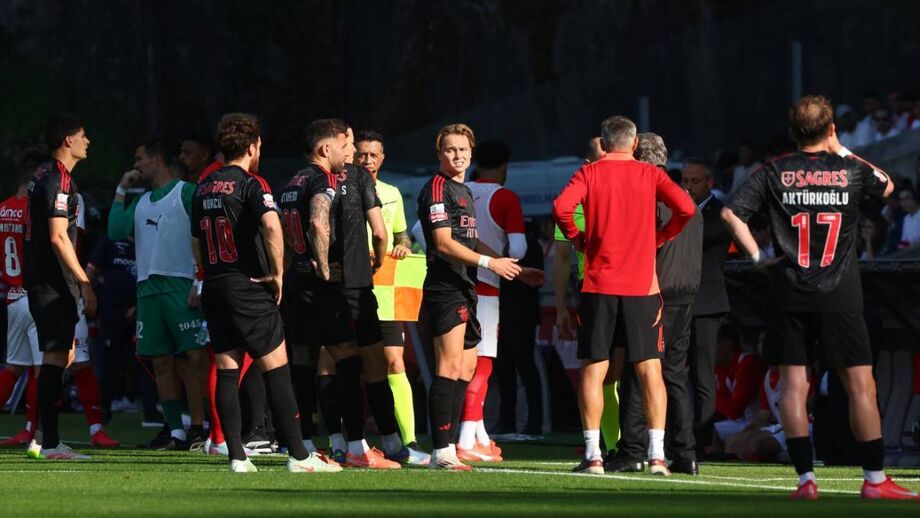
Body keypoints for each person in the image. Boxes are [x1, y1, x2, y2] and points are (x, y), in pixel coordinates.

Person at [721, 95, 918, 499]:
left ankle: (806, 481)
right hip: (839, 291)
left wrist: (758, 257)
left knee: (794, 386)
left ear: (793, 132)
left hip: (789, 288)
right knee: (861, 386)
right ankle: (875, 480)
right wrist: (841, 147)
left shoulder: (773, 171)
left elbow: (730, 214)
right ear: (830, 129)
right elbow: (887, 185)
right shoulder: (847, 169)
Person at [192, 112, 338, 473]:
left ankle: (237, 457)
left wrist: (207, 273)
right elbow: (272, 226)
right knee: (277, 369)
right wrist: (276, 273)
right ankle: (299, 457)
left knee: (227, 368)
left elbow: (195, 239)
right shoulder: (252, 184)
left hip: (214, 284)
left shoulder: (203, 186)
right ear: (253, 145)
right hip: (248, 285)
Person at [554, 115, 696, 476]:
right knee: (650, 369)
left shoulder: (590, 173)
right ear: (634, 144)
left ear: (604, 142)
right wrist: (662, 235)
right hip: (642, 286)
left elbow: (560, 209)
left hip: (599, 283)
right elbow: (687, 208)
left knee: (594, 368)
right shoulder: (651, 174)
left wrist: (578, 238)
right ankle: (658, 457)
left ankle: (593, 456)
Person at [417, 123, 522, 470]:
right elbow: (446, 244)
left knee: (467, 366)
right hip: (445, 288)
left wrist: (503, 264)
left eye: (463, 149)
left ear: (472, 153)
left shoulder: (463, 191)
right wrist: (489, 261)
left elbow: (470, 239)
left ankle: (455, 444)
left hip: (467, 286)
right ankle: (442, 451)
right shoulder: (436, 189)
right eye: (450, 149)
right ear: (439, 154)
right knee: (448, 367)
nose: (457, 155)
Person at [609, 132, 703, 475]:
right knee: (675, 376)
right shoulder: (686, 197)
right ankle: (685, 453)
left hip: (654, 292)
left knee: (640, 374)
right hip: (687, 294)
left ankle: (632, 449)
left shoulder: (648, 194)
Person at [108, 139, 210, 451]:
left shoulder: (186, 192)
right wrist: (121, 189)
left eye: (140, 158)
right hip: (147, 289)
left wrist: (199, 281)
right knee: (161, 363)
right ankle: (175, 430)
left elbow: (204, 237)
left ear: (157, 160)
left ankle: (199, 427)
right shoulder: (141, 202)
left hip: (181, 284)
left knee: (193, 360)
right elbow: (114, 231)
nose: (136, 164)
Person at [23, 114, 98, 459]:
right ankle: (50, 443)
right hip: (52, 283)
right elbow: (57, 237)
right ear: (68, 140)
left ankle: (41, 436)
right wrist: (84, 283)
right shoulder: (58, 178)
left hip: (42, 279)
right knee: (56, 357)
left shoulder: (41, 174)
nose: (87, 141)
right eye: (82, 135)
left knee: (63, 355)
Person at [354, 129, 425, 459]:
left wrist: (401, 246)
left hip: (385, 290)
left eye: (373, 155)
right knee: (343, 364)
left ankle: (408, 440)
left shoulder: (392, 193)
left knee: (394, 361)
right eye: (361, 154)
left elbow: (403, 236)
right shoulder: (341, 188)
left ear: (382, 159)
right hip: (349, 289)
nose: (367, 160)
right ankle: (347, 440)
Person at [458, 140, 527, 462]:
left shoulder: (457, 190)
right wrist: (499, 259)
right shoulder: (504, 196)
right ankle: (465, 440)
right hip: (486, 289)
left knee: (457, 365)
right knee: (482, 366)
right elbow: (518, 250)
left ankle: (477, 435)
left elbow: (420, 229)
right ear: (504, 167)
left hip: (454, 285)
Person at [553, 137, 623, 454]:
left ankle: (635, 445)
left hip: (634, 288)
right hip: (592, 289)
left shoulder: (628, 189)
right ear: (588, 162)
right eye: (601, 152)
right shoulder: (574, 199)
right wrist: (560, 306)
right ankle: (604, 445)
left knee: (636, 369)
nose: (608, 157)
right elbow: (563, 258)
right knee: (598, 370)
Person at [681, 156, 732, 459]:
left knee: (702, 376)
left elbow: (702, 238)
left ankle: (701, 443)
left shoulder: (719, 214)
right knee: (675, 374)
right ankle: (679, 439)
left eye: (694, 181)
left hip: (707, 303)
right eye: (684, 181)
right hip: (680, 299)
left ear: (709, 183)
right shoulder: (680, 210)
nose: (687, 186)